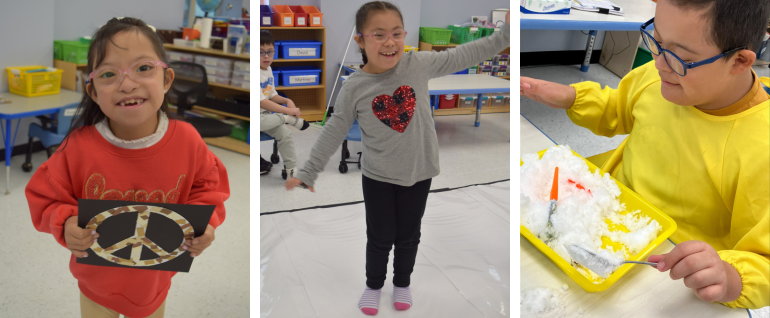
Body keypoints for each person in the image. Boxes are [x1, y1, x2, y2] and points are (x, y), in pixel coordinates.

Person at [521, 0, 769, 309]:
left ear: (739, 61)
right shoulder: (659, 73)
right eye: (657, 41)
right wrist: (572, 98)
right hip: (600, 216)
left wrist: (731, 278)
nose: (660, 63)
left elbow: (764, 260)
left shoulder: (762, 147)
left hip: (669, 273)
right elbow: (619, 109)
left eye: (680, 56)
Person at [285, 1, 510, 315]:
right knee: (379, 237)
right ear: (360, 41)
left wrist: (506, 34)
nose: (389, 42)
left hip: (419, 172)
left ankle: (402, 282)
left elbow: (465, 54)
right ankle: (374, 286)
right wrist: (308, 171)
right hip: (378, 176)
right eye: (379, 34)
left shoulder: (417, 63)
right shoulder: (354, 87)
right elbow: (333, 130)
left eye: (396, 33)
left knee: (409, 235)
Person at [25, 17, 230, 318]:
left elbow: (209, 190)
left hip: (154, 284)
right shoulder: (78, 147)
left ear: (167, 79)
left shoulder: (188, 141)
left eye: (143, 68)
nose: (127, 83)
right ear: (93, 91)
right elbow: (44, 197)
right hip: (96, 286)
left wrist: (206, 225)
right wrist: (66, 223)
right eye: (109, 74)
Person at [260, 29, 309, 180]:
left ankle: (291, 168)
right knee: (267, 120)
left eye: (270, 51)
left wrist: (287, 101)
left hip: (268, 117)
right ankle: (288, 119)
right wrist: (287, 113)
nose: (266, 56)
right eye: (261, 52)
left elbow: (272, 94)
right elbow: (261, 102)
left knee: (285, 134)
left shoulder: (268, 69)